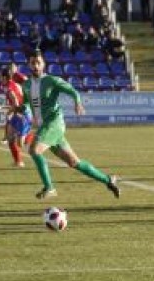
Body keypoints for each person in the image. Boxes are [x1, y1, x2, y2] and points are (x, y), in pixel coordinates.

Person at [22, 51, 120, 199]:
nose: (35, 65)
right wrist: (15, 109)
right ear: (28, 65)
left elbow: (72, 91)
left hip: (54, 123)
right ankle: (108, 180)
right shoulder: (27, 85)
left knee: (34, 150)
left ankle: (50, 188)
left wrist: (77, 102)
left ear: (43, 64)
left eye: (38, 62)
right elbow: (26, 104)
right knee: (74, 162)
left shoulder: (51, 80)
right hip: (46, 127)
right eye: (33, 63)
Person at [0, 67, 33, 167]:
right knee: (10, 138)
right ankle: (19, 162)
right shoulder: (9, 85)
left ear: (5, 77)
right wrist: (2, 107)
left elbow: (15, 103)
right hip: (18, 114)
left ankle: (38, 137)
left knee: (20, 143)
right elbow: (16, 103)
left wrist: (9, 111)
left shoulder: (9, 88)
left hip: (23, 114)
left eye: (0, 76)